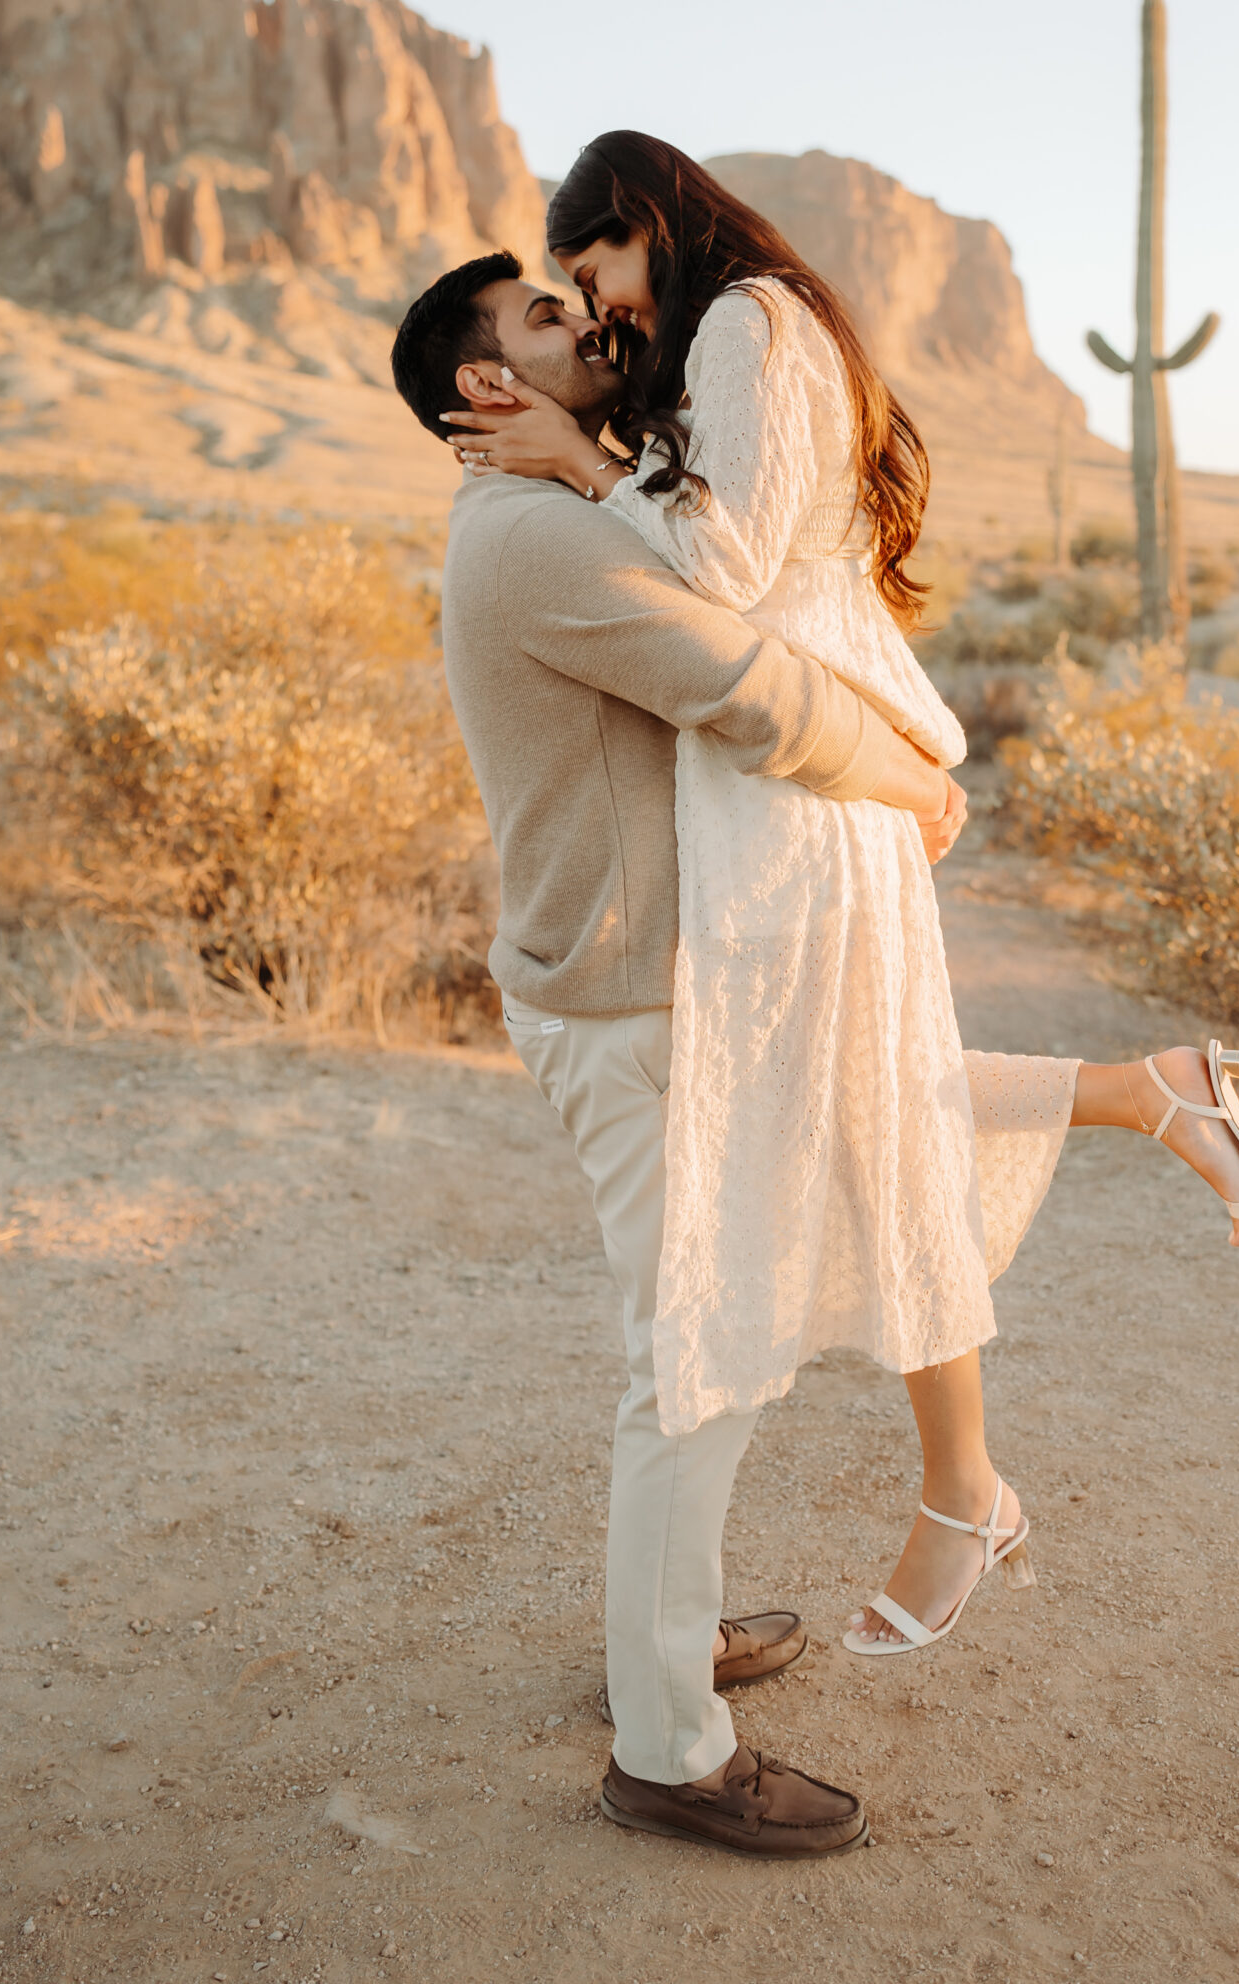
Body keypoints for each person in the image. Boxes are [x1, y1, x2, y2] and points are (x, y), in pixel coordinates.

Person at [439, 135, 1239, 1677]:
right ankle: (1138, 1112)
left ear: (647, 225)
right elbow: (725, 572)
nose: (597, 305)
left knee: (857, 1107)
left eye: (593, 269)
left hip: (809, 780)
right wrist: (591, 467)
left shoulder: (751, 323)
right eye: (564, 301)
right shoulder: (729, 337)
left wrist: (581, 470)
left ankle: (961, 1485)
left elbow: (725, 563)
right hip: (786, 779)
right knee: (856, 1102)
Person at [393, 251, 968, 1856]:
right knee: (698, 1366)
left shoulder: (566, 511)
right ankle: (668, 1746)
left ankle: (670, 1635)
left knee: (699, 1341)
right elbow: (749, 687)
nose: (591, 324)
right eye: (546, 321)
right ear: (488, 388)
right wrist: (911, 774)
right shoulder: (530, 542)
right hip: (634, 1002)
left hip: (643, 988)